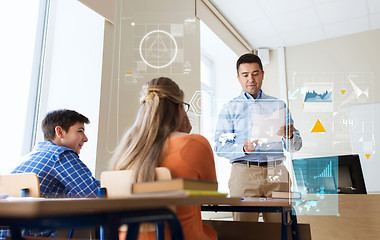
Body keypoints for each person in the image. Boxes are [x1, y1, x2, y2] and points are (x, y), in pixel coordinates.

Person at [110, 77, 218, 240]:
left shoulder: (126, 151)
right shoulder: (194, 143)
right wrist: (185, 135)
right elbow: (210, 196)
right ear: (178, 109)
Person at [214, 53, 302, 222]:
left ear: (262, 74)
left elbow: (295, 146)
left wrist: (290, 136)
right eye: (245, 75)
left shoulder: (278, 105)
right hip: (244, 173)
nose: (251, 79)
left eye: (255, 73)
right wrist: (242, 148)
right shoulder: (230, 108)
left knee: (281, 229)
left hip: (276, 172)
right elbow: (219, 146)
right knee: (244, 231)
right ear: (238, 78)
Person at [0, 109, 100, 239]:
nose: (85, 139)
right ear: (59, 132)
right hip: (32, 234)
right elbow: (94, 192)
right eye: (80, 131)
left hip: (8, 233)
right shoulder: (60, 155)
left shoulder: (31, 156)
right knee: (86, 220)